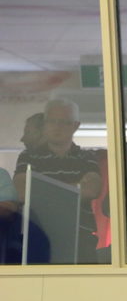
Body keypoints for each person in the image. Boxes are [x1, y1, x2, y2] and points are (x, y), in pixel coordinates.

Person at [14, 99, 102, 263]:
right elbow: (22, 192)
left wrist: (41, 190)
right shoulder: (28, 157)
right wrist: (75, 190)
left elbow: (92, 190)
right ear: (45, 124)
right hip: (38, 235)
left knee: (84, 288)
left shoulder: (87, 158)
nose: (57, 127)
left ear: (76, 125)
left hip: (80, 236)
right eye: (52, 121)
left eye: (64, 122)